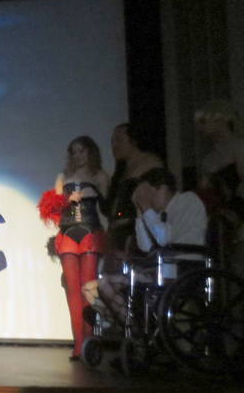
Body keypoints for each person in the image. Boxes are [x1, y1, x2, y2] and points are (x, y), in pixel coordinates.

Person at [97, 167, 207, 321]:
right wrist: (140, 212)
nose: (145, 198)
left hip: (185, 270)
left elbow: (164, 239)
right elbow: (146, 246)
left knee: (114, 284)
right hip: (165, 269)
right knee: (105, 284)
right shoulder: (158, 215)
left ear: (162, 189)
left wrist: (147, 208)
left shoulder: (187, 200)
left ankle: (134, 323)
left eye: (147, 193)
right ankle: (131, 323)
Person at [52, 136, 109, 360]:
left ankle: (89, 342)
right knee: (73, 290)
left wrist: (92, 194)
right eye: (74, 152)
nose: (77, 156)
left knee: (89, 289)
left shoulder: (99, 176)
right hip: (67, 233)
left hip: (90, 232)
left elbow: (108, 208)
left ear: (91, 152)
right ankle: (78, 344)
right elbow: (52, 210)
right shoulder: (63, 177)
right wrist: (66, 201)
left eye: (81, 151)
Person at [194, 99, 244, 274]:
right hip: (219, 224)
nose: (199, 128)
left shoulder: (239, 146)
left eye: (203, 121)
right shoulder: (208, 159)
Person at [106, 123, 164, 260]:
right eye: (112, 141)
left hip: (138, 233)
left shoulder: (150, 163)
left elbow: (159, 201)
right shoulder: (121, 170)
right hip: (119, 233)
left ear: (133, 141)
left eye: (119, 140)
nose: (114, 146)